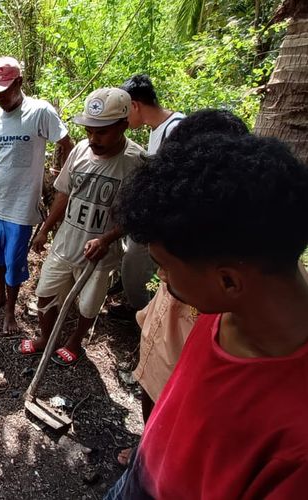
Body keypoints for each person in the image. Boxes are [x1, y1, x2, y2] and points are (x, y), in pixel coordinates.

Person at [105, 133, 308, 498]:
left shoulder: (297, 443)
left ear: (228, 280)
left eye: (164, 267)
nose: (161, 280)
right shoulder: (227, 306)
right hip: (140, 477)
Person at [116, 109, 250, 466]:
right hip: (167, 331)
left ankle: (162, 459)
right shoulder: (186, 250)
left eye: (164, 267)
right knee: (154, 382)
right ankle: (149, 450)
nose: (160, 275)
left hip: (192, 354)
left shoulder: (235, 296)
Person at [15, 87, 144, 365]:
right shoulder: (81, 151)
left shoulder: (136, 162)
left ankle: (75, 341)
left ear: (123, 125)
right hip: (66, 242)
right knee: (45, 293)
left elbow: (137, 212)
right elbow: (64, 191)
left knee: (88, 304)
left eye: (102, 132)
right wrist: (46, 228)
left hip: (100, 254)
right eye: (89, 131)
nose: (93, 138)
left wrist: (107, 238)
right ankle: (46, 338)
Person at [0, 56, 73, 333]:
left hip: (20, 205)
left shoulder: (39, 111)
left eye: (4, 90)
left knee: (14, 260)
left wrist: (62, 180)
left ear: (19, 82)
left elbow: (68, 144)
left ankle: (10, 312)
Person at [112, 74, 186, 318]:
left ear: (135, 104)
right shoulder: (157, 130)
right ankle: (142, 307)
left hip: (164, 219)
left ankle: (142, 314)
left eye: (125, 111)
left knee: (134, 263)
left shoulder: (176, 128)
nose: (124, 119)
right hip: (154, 215)